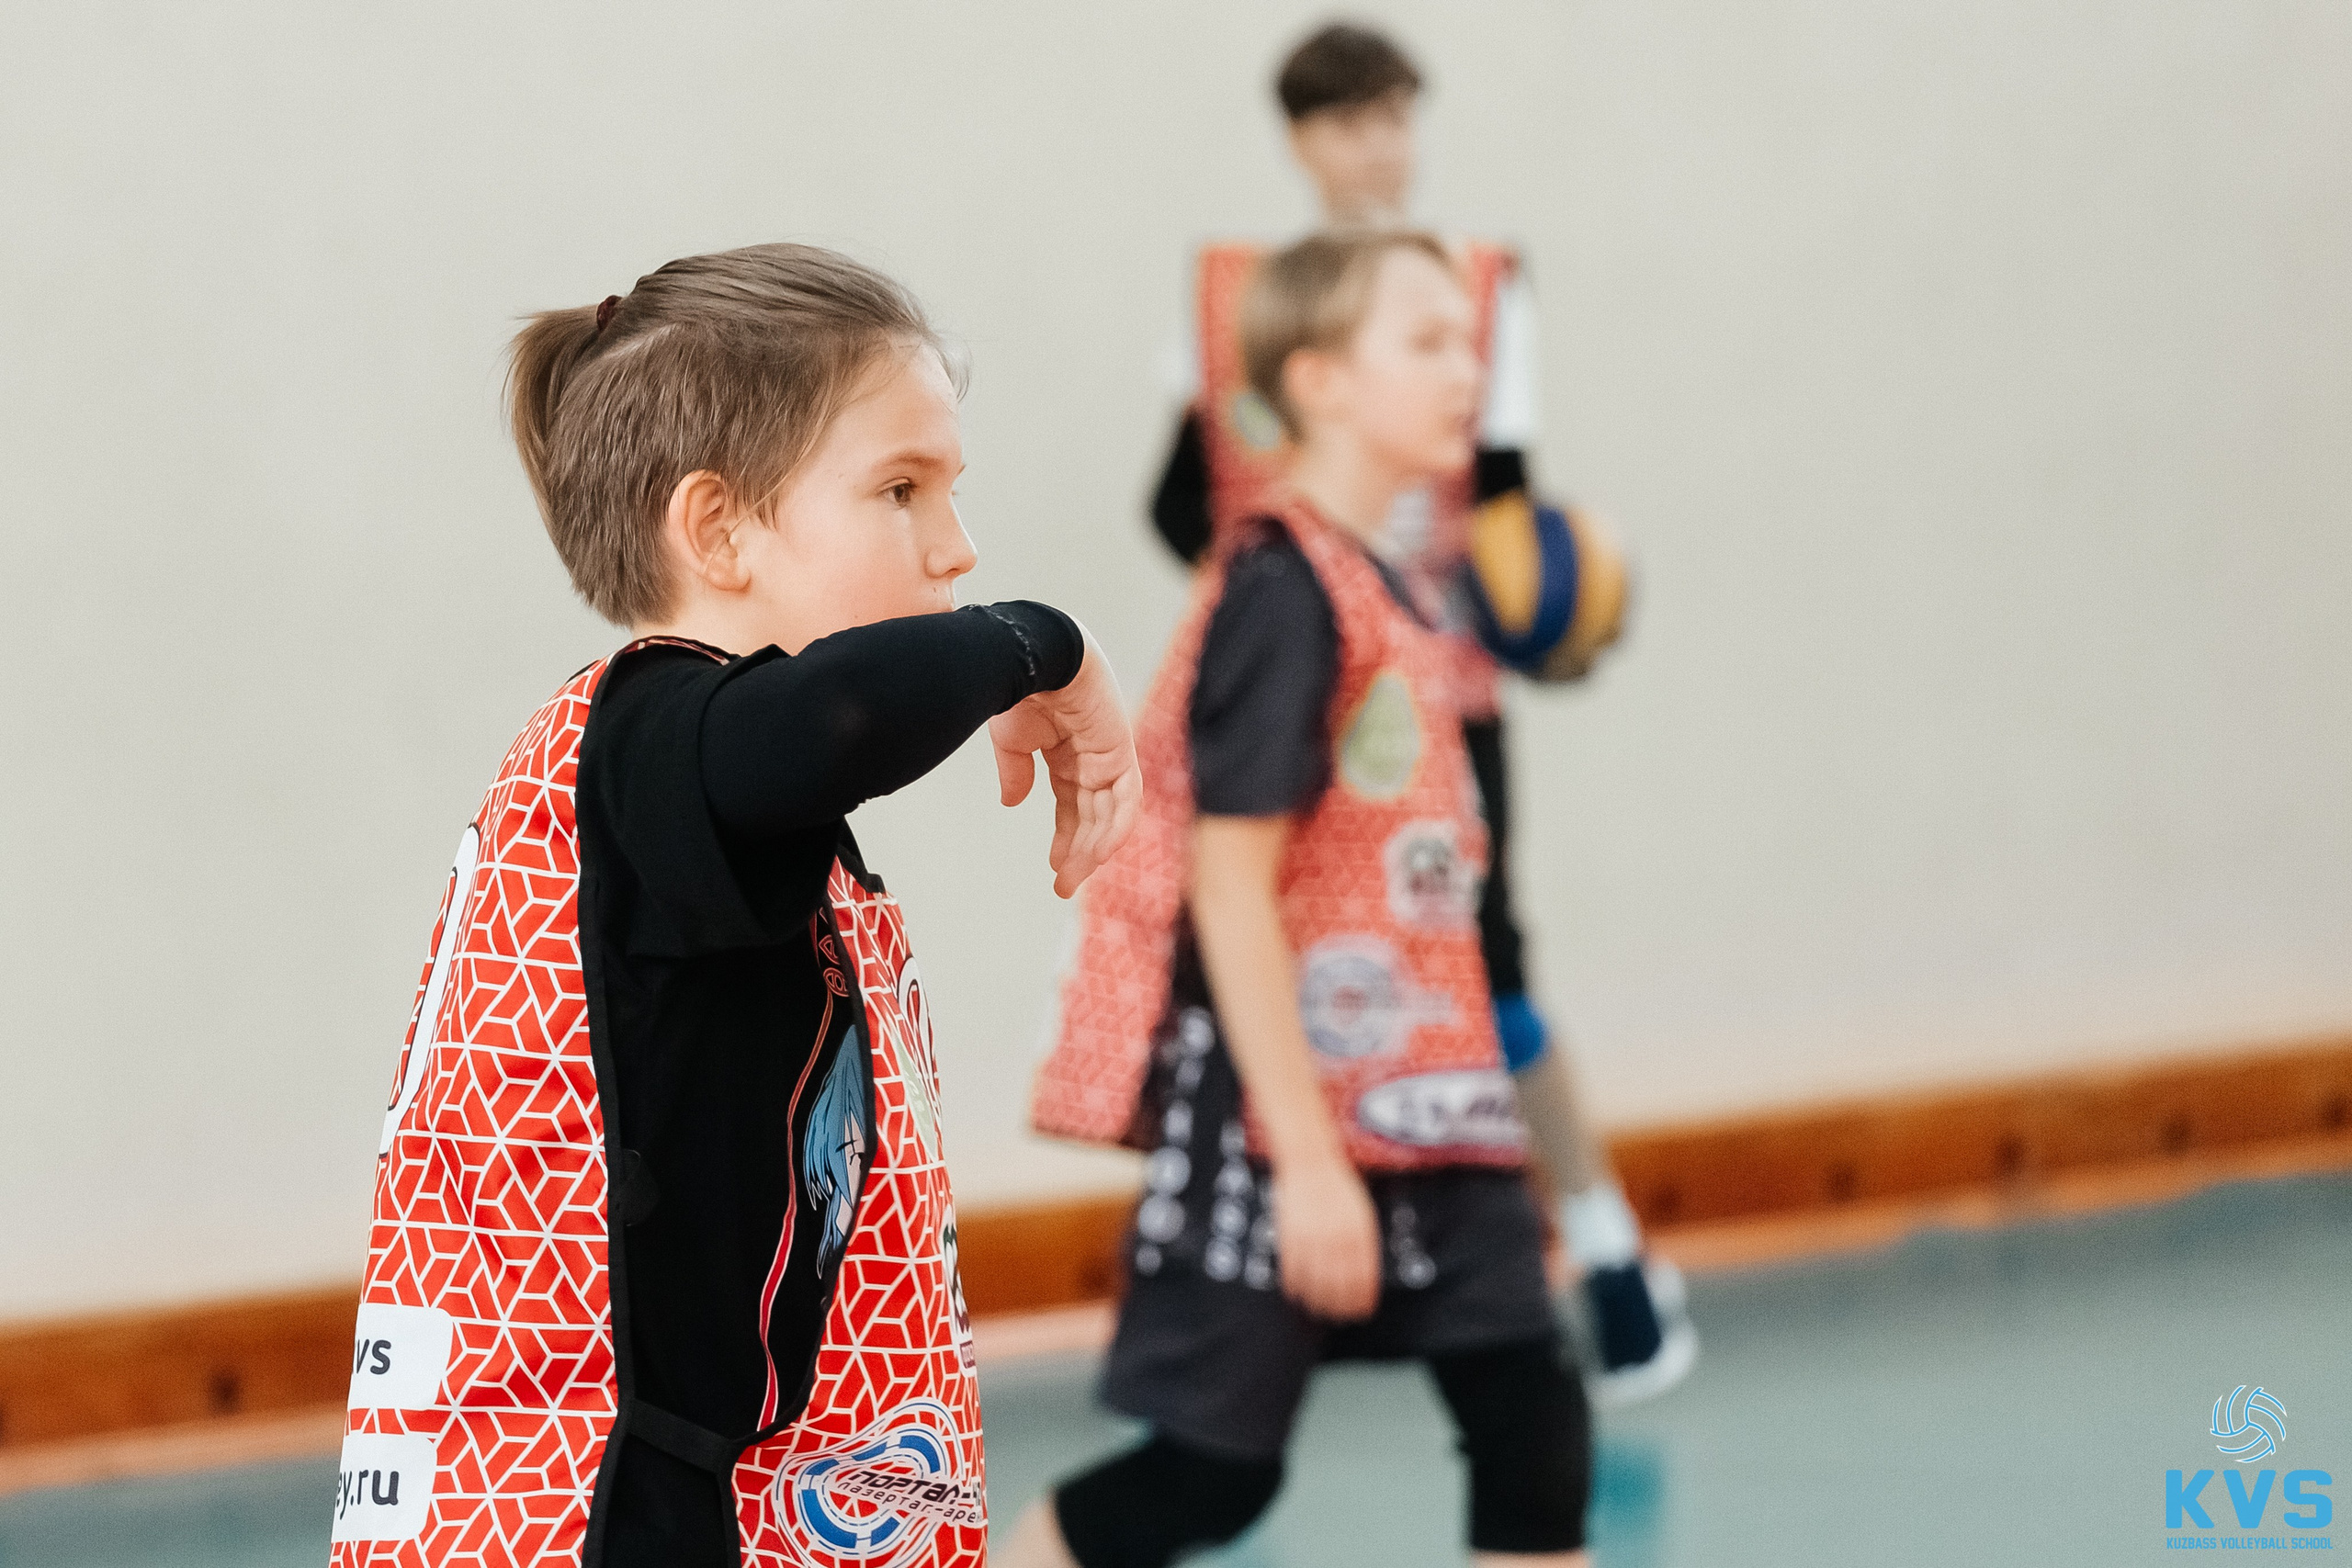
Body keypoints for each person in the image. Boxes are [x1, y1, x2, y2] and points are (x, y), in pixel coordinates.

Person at [336, 243, 1140, 1568]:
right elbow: (841, 715)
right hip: (611, 1518)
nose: (958, 546)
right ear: (716, 532)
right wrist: (1046, 645)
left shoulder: (700, 795)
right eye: (902, 489)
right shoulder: (656, 747)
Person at [1018, 231, 1591, 1568]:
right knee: (1210, 1477)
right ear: (1322, 380)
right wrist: (1312, 1165)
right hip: (1284, 1114)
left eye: (1473, 339)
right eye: (1429, 342)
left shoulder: (1402, 584)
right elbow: (1229, 891)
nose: (1471, 368)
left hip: (1433, 1093)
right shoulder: (1282, 588)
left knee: (1533, 1420)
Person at [1148, 19, 1690, 1404]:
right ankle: (1277, 1258)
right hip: (1299, 681)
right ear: (1300, 140)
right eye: (1348, 122)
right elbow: (1175, 498)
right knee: (1254, 938)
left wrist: (1544, 621)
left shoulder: (1478, 288)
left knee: (1484, 958)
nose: (1376, 145)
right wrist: (1280, 599)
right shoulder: (1231, 300)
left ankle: (1606, 1246)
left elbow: (1504, 502)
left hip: (1438, 691)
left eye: (1397, 116)